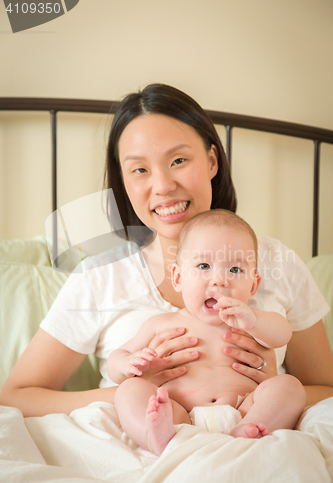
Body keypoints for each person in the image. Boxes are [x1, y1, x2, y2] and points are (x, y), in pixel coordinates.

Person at [0, 83, 332, 419]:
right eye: (140, 169)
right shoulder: (99, 277)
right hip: (134, 451)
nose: (162, 186)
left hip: (249, 436)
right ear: (124, 182)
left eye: (178, 160)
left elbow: (327, 391)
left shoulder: (277, 262)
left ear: (212, 160)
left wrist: (269, 387)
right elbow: (16, 397)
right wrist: (137, 392)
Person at [108, 210, 306, 455]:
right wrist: (126, 363)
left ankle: (248, 431)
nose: (220, 280)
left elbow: (282, 334)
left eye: (235, 270)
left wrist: (254, 321)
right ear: (178, 278)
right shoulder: (161, 323)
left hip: (243, 410)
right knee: (129, 390)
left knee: (290, 386)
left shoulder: (252, 322)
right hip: (178, 414)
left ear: (253, 285)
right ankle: (157, 436)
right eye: (203, 266)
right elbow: (117, 360)